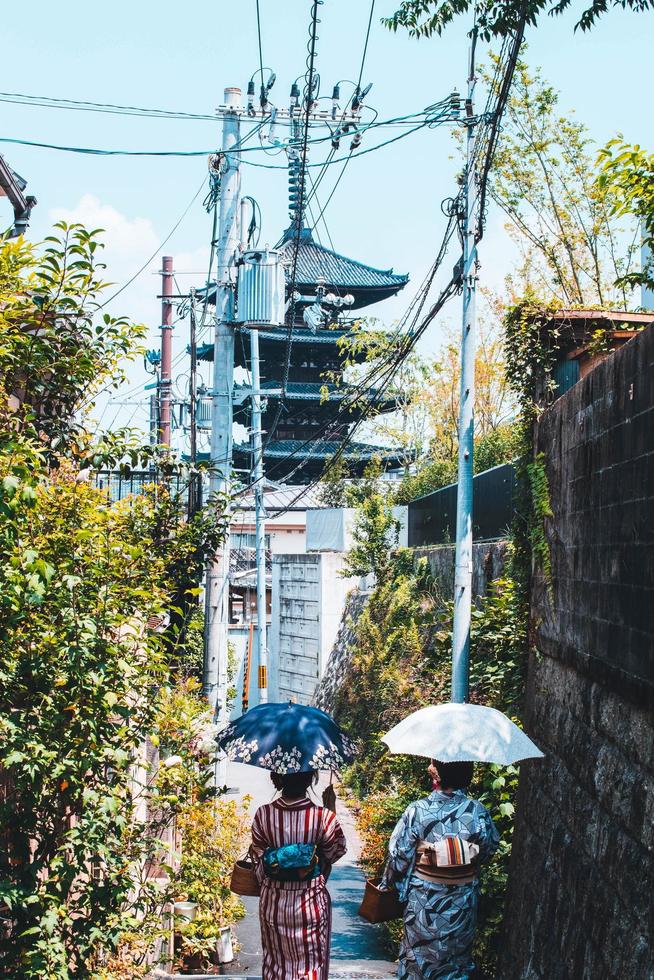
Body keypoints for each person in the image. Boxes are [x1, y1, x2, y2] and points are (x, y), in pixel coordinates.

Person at [380, 759, 499, 980]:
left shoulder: (418, 810)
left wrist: (388, 883)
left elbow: (399, 857)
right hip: (461, 903)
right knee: (455, 963)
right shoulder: (477, 811)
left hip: (424, 903)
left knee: (419, 961)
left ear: (439, 774)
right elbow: (488, 849)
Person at [250, 770, 347, 980]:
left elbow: (258, 855)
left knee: (275, 963)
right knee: (311, 964)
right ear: (310, 779)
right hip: (309, 902)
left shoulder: (263, 814)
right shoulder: (323, 817)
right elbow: (335, 852)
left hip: (273, 902)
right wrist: (330, 809)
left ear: (277, 778)